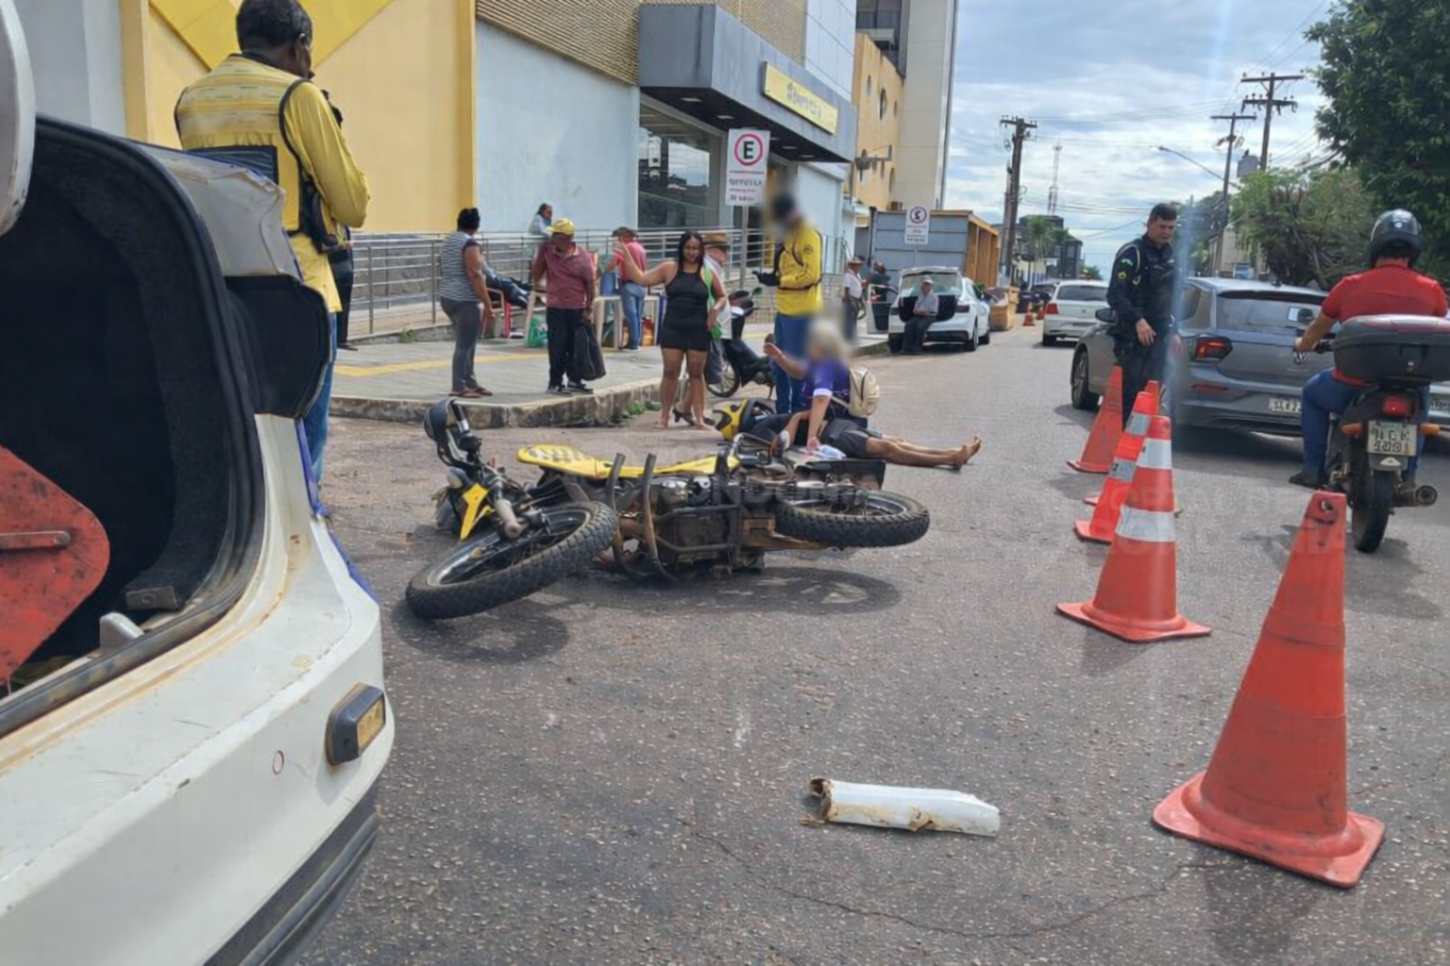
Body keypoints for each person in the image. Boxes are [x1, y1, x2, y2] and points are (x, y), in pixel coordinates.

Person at [176, 0, 370, 484]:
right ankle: (303, 532)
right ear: (297, 45)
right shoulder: (299, 97)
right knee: (303, 429)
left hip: (219, 288)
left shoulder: (191, 100)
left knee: (240, 423)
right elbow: (352, 206)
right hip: (297, 288)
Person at [1290, 210, 1448, 490]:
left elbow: (1319, 327)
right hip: (1410, 387)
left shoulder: (1350, 285)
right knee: (1418, 409)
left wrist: (1303, 344)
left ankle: (1312, 470)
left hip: (1351, 386)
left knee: (1311, 394)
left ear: (1376, 245)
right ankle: (1409, 478)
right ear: (1413, 250)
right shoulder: (1432, 290)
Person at [761, 322, 982, 469]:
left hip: (834, 429)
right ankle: (952, 452)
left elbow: (821, 400)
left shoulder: (825, 366)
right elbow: (799, 371)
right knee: (897, 441)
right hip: (845, 423)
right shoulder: (822, 363)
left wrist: (812, 439)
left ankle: (952, 458)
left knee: (888, 449)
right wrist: (780, 357)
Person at [616, 230, 726, 430]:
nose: (692, 252)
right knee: (670, 371)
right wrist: (627, 257)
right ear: (681, 248)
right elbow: (642, 279)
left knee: (696, 373)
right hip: (673, 327)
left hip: (698, 328)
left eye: (695, 248)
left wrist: (715, 312)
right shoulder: (669, 268)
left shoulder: (707, 272)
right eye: (688, 248)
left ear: (701, 250)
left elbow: (722, 296)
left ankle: (699, 417)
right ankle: (664, 416)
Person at [1106, 203, 1182, 426]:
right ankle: (1121, 448)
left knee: (1152, 392)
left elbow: (1173, 299)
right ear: (1149, 224)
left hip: (1159, 335)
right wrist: (1138, 321)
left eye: (1171, 227)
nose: (1166, 232)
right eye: (1162, 226)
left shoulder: (1171, 256)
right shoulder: (1133, 252)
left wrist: (1174, 331)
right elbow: (1115, 294)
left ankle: (1141, 447)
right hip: (1131, 336)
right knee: (1129, 393)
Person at [755, 192, 823, 412]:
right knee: (778, 364)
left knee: (796, 368)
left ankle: (798, 415)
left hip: (803, 313)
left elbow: (811, 274)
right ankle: (782, 413)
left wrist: (780, 280)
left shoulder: (807, 234)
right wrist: (771, 277)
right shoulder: (789, 234)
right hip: (785, 311)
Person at [532, 218, 597, 395]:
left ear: (567, 237)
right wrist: (540, 254)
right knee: (557, 346)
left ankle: (574, 380)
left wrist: (589, 308)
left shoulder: (582, 258)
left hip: (576, 308)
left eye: (556, 235)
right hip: (555, 308)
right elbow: (536, 276)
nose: (552, 238)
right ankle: (555, 382)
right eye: (552, 235)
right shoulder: (549, 252)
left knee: (576, 347)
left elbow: (591, 286)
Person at [438, 207, 497, 399]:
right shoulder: (469, 244)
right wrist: (488, 304)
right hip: (465, 300)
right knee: (465, 344)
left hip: (448, 296)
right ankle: (459, 386)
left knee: (468, 341)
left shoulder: (449, 241)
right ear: (477, 225)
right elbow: (475, 274)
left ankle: (470, 381)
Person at [605, 227, 648, 351]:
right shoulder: (640, 248)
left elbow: (612, 265)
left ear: (625, 236)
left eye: (619, 237)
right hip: (642, 284)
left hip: (628, 285)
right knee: (638, 315)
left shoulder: (625, 248)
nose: (618, 240)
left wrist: (605, 268)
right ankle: (637, 342)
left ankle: (633, 343)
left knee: (631, 315)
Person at [903, 278, 941, 354]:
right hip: (919, 315)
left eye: (927, 285)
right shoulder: (920, 296)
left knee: (920, 326)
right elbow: (915, 307)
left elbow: (934, 310)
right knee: (909, 324)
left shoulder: (934, 297)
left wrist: (924, 312)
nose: (925, 286)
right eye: (924, 284)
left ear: (931, 286)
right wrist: (916, 311)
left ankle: (917, 347)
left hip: (929, 316)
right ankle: (907, 347)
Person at [842, 256, 865, 343]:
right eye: (857, 265)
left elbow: (859, 287)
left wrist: (860, 299)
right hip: (850, 300)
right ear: (852, 266)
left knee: (854, 320)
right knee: (848, 320)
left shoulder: (858, 275)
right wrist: (850, 301)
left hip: (856, 299)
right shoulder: (848, 275)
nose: (859, 267)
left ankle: (852, 337)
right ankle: (847, 338)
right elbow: (846, 289)